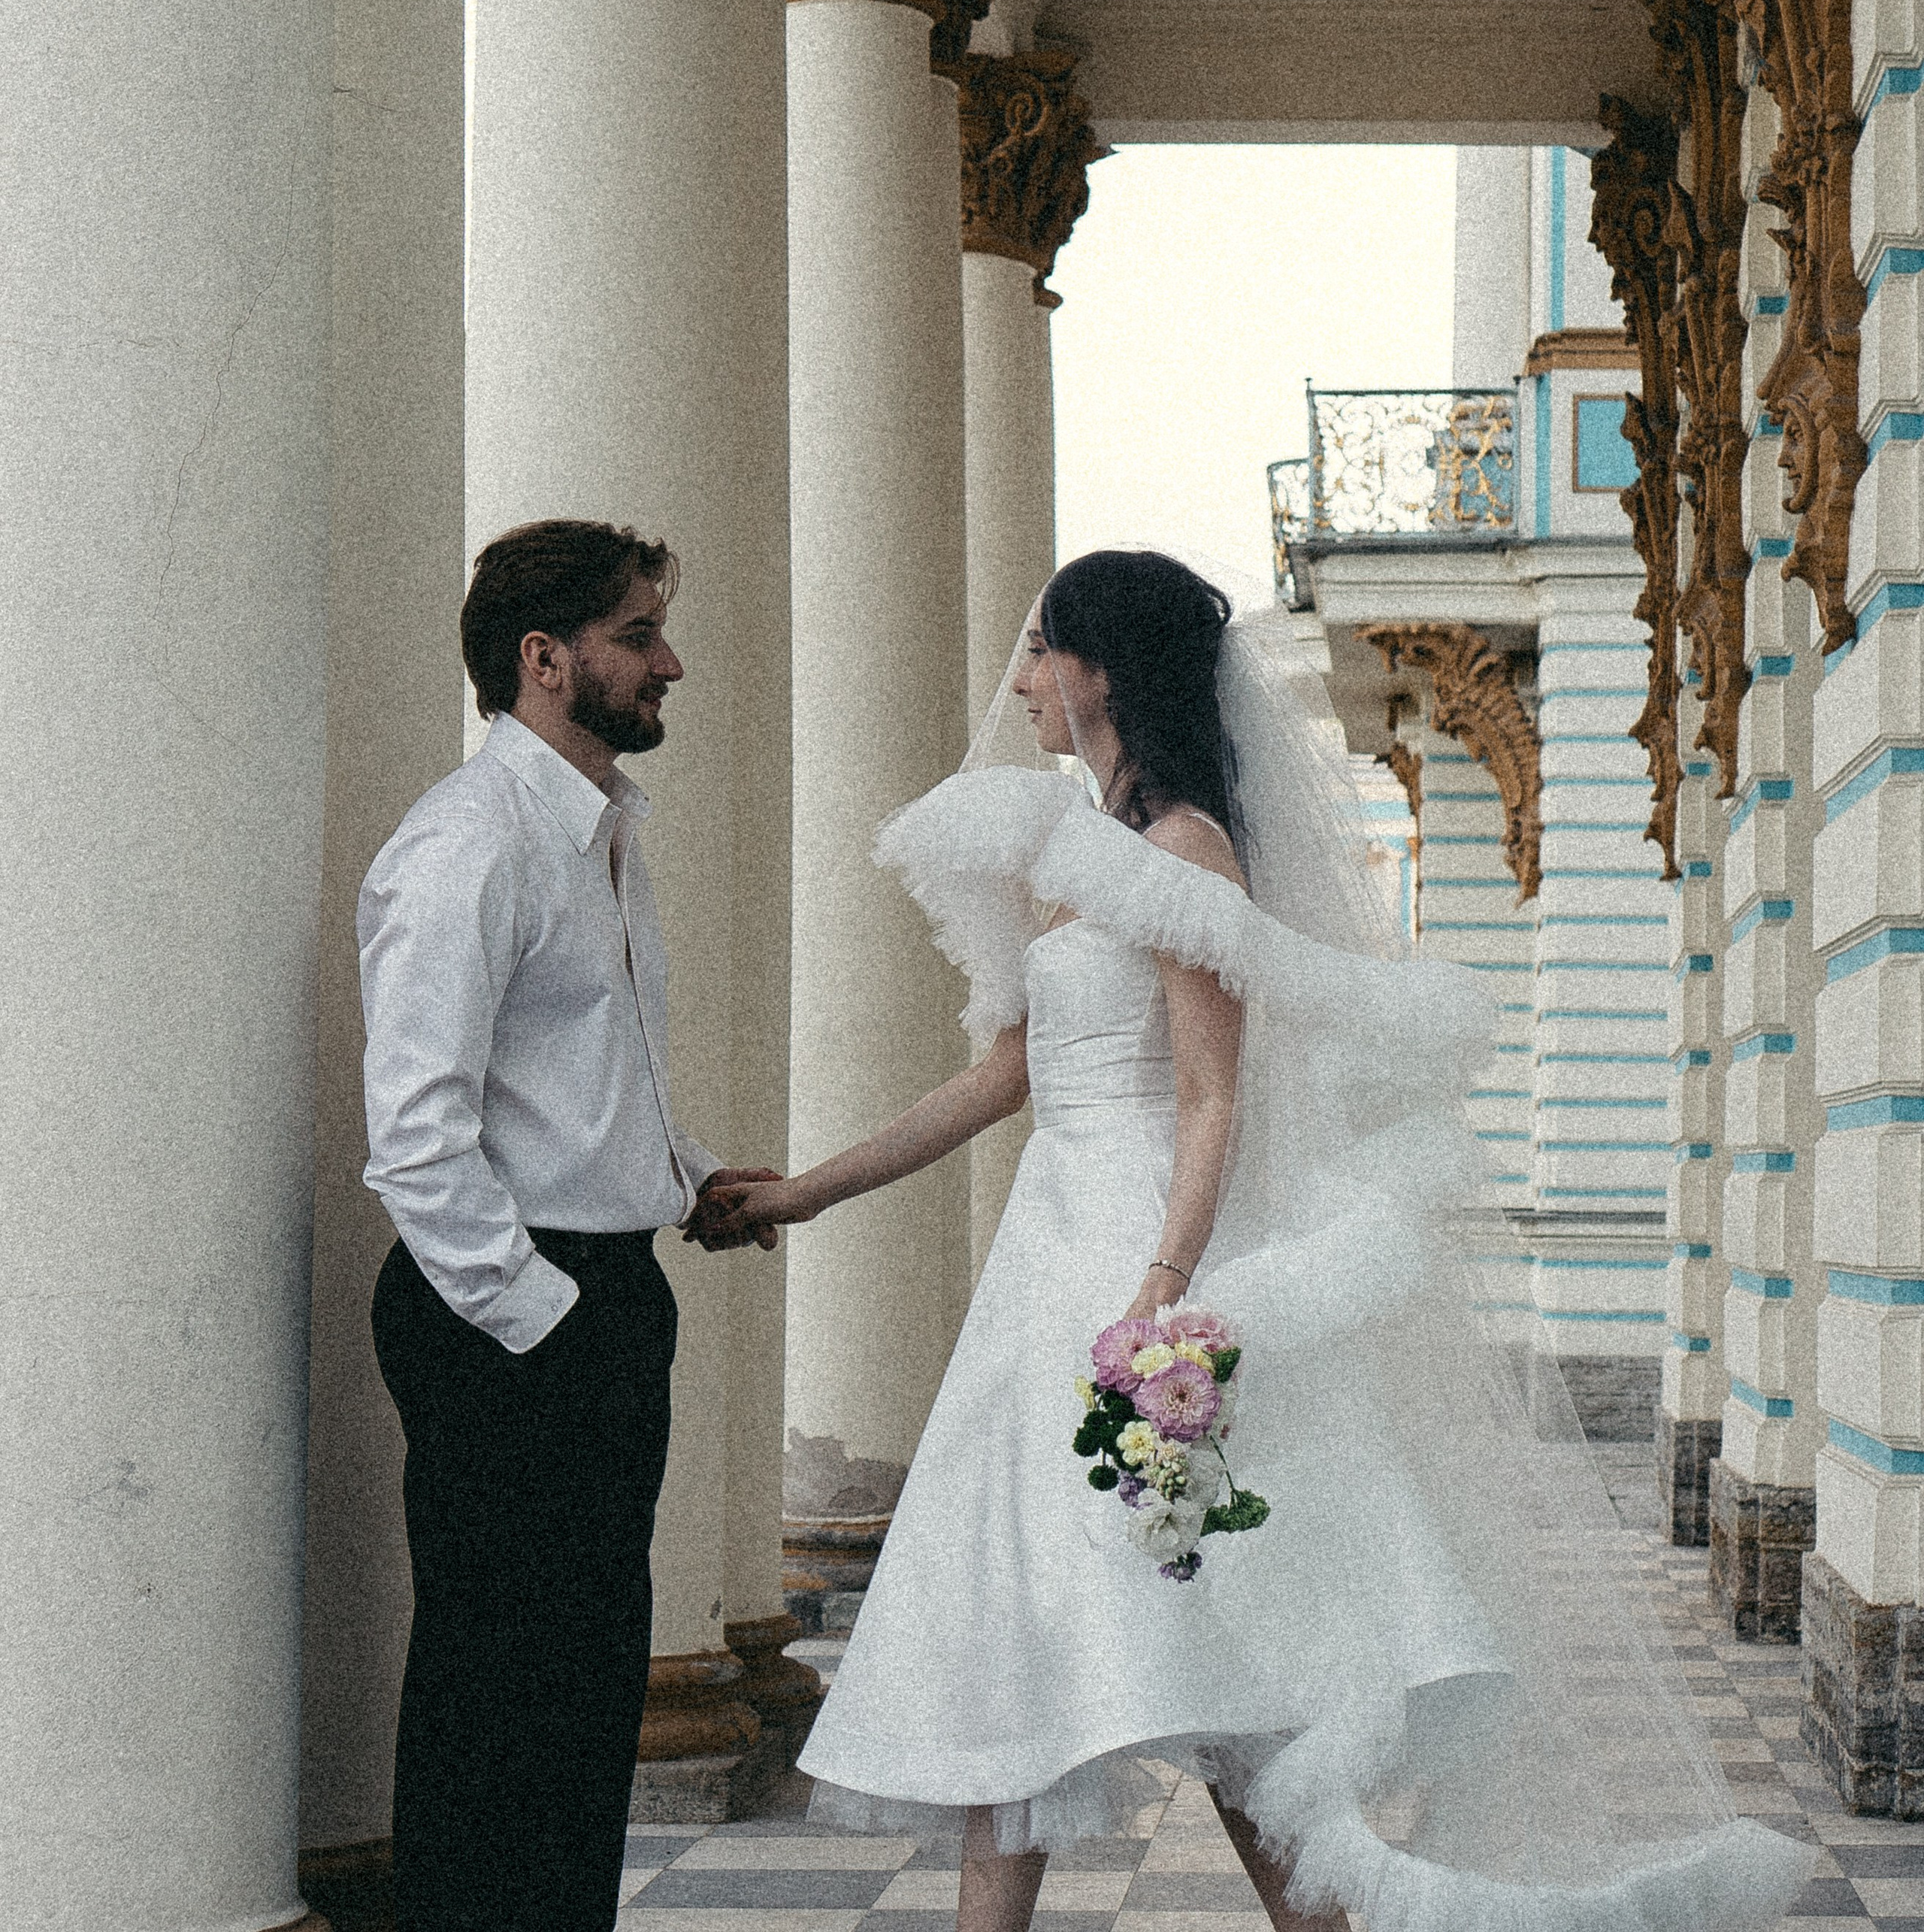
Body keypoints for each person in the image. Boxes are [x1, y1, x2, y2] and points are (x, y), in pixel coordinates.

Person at [707, 549, 1813, 1932]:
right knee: (1023, 1648)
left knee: (1230, 1667)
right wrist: (808, 1193)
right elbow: (1005, 1075)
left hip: (1146, 1256)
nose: (1021, 680)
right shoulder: (1066, 856)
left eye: (1042, 650)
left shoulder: (1184, 852)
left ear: (1105, 671)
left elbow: (1211, 1095)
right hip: (1043, 1269)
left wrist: (1166, 1294)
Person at [359, 517, 774, 1932]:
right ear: (545, 659)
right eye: (638, 635)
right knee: (495, 1693)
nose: (673, 663)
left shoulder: (602, 831)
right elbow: (418, 1133)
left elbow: (584, 1080)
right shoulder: (467, 845)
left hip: (597, 1289)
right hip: (506, 1311)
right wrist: (548, 1320)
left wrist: (684, 1178)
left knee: (586, 1691)